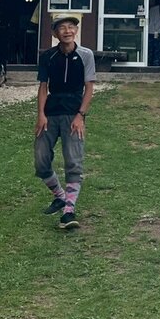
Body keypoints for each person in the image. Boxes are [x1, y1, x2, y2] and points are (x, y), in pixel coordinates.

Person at [34, 13, 95, 231]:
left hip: (73, 114)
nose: (67, 31)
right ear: (54, 33)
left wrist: (81, 115)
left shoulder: (86, 55)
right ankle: (59, 195)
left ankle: (69, 211)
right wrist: (41, 114)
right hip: (50, 113)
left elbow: (89, 87)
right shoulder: (48, 56)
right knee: (41, 160)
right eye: (62, 28)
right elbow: (43, 86)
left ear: (76, 31)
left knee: (73, 162)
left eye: (71, 26)